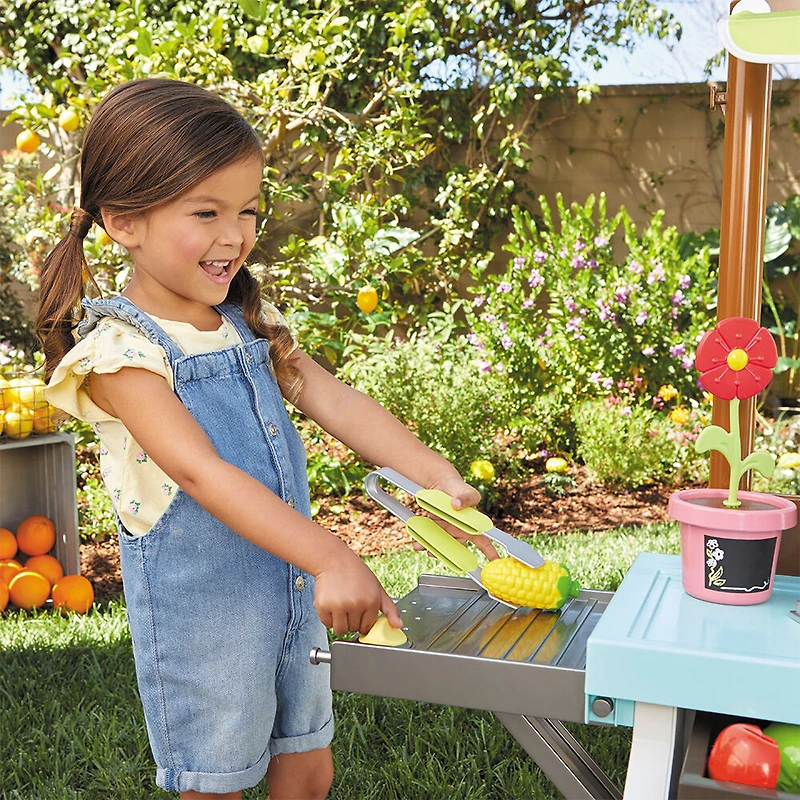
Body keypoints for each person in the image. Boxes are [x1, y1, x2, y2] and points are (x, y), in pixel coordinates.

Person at [37, 78, 497, 800]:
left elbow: (334, 399)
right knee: (217, 784)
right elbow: (201, 472)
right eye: (206, 212)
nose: (235, 236)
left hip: (291, 595)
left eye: (248, 210)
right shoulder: (121, 354)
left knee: (308, 768)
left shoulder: (247, 320)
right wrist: (332, 555)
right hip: (208, 619)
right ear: (124, 221)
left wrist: (434, 476)